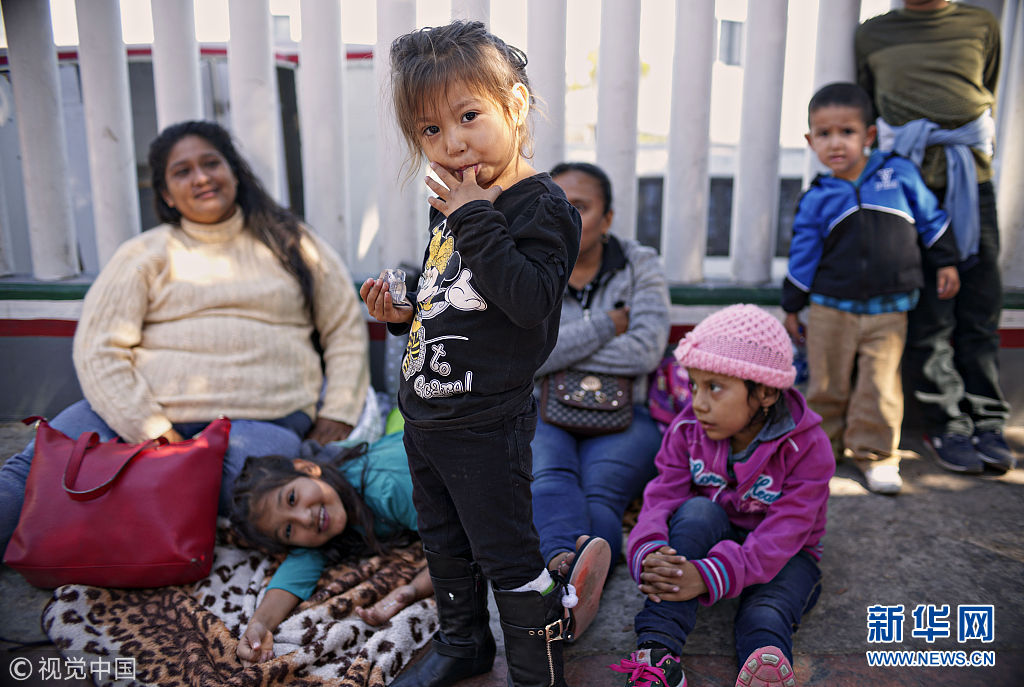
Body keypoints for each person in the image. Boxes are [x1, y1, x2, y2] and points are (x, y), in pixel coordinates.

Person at [0, 120, 370, 549]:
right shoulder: (144, 253)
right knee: (36, 471)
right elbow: (99, 348)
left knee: (257, 502)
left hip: (258, 418)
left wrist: (339, 410)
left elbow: (343, 325)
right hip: (138, 409)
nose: (201, 177)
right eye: (182, 172)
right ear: (165, 194)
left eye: (211, 163)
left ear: (233, 171)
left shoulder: (292, 242)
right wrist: (151, 429)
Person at [359, 20, 581, 687]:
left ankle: (538, 670)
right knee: (445, 544)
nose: (452, 143)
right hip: (427, 419)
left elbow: (529, 301)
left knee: (507, 550)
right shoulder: (457, 204)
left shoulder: (541, 207)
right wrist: (402, 313)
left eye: (468, 116)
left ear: (515, 104)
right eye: (430, 130)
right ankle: (464, 645)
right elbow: (451, 297)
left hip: (487, 423)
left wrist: (475, 215)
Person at [609, 304, 834, 687]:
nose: (698, 402)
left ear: (764, 392)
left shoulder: (809, 448)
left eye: (715, 387)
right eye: (694, 384)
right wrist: (651, 554)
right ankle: (658, 652)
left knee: (767, 607)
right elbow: (660, 498)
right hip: (712, 534)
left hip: (784, 552)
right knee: (695, 514)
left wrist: (711, 574)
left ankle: (765, 661)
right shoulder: (686, 431)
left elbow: (784, 535)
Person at [856, 0, 1014, 474]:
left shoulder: (980, 25)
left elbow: (987, 86)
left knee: (980, 307)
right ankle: (946, 422)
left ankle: (987, 419)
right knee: (928, 315)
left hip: (971, 184)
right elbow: (870, 104)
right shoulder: (872, 35)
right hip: (907, 189)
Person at [782, 82, 960, 494]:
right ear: (810, 142)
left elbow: (932, 219)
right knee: (826, 385)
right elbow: (803, 256)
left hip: (889, 310)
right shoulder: (818, 198)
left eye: (847, 131)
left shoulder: (898, 175)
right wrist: (792, 306)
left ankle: (875, 455)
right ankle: (819, 455)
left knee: (879, 388)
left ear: (869, 136)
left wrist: (946, 260)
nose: (835, 143)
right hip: (829, 310)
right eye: (823, 134)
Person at [531, 161, 670, 638]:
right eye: (555, 206)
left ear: (608, 219)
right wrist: (608, 324)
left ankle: (573, 581)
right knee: (549, 476)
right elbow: (526, 357)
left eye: (581, 208)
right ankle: (564, 565)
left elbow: (647, 350)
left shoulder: (638, 263)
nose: (566, 217)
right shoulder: (527, 265)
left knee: (600, 490)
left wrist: (562, 351)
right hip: (543, 410)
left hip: (627, 414)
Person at [229, 432, 432, 664]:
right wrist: (258, 626)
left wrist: (415, 589)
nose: (304, 519)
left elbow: (464, 544)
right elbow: (295, 572)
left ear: (307, 469)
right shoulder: (328, 514)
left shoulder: (386, 487)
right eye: (287, 530)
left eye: (292, 498)